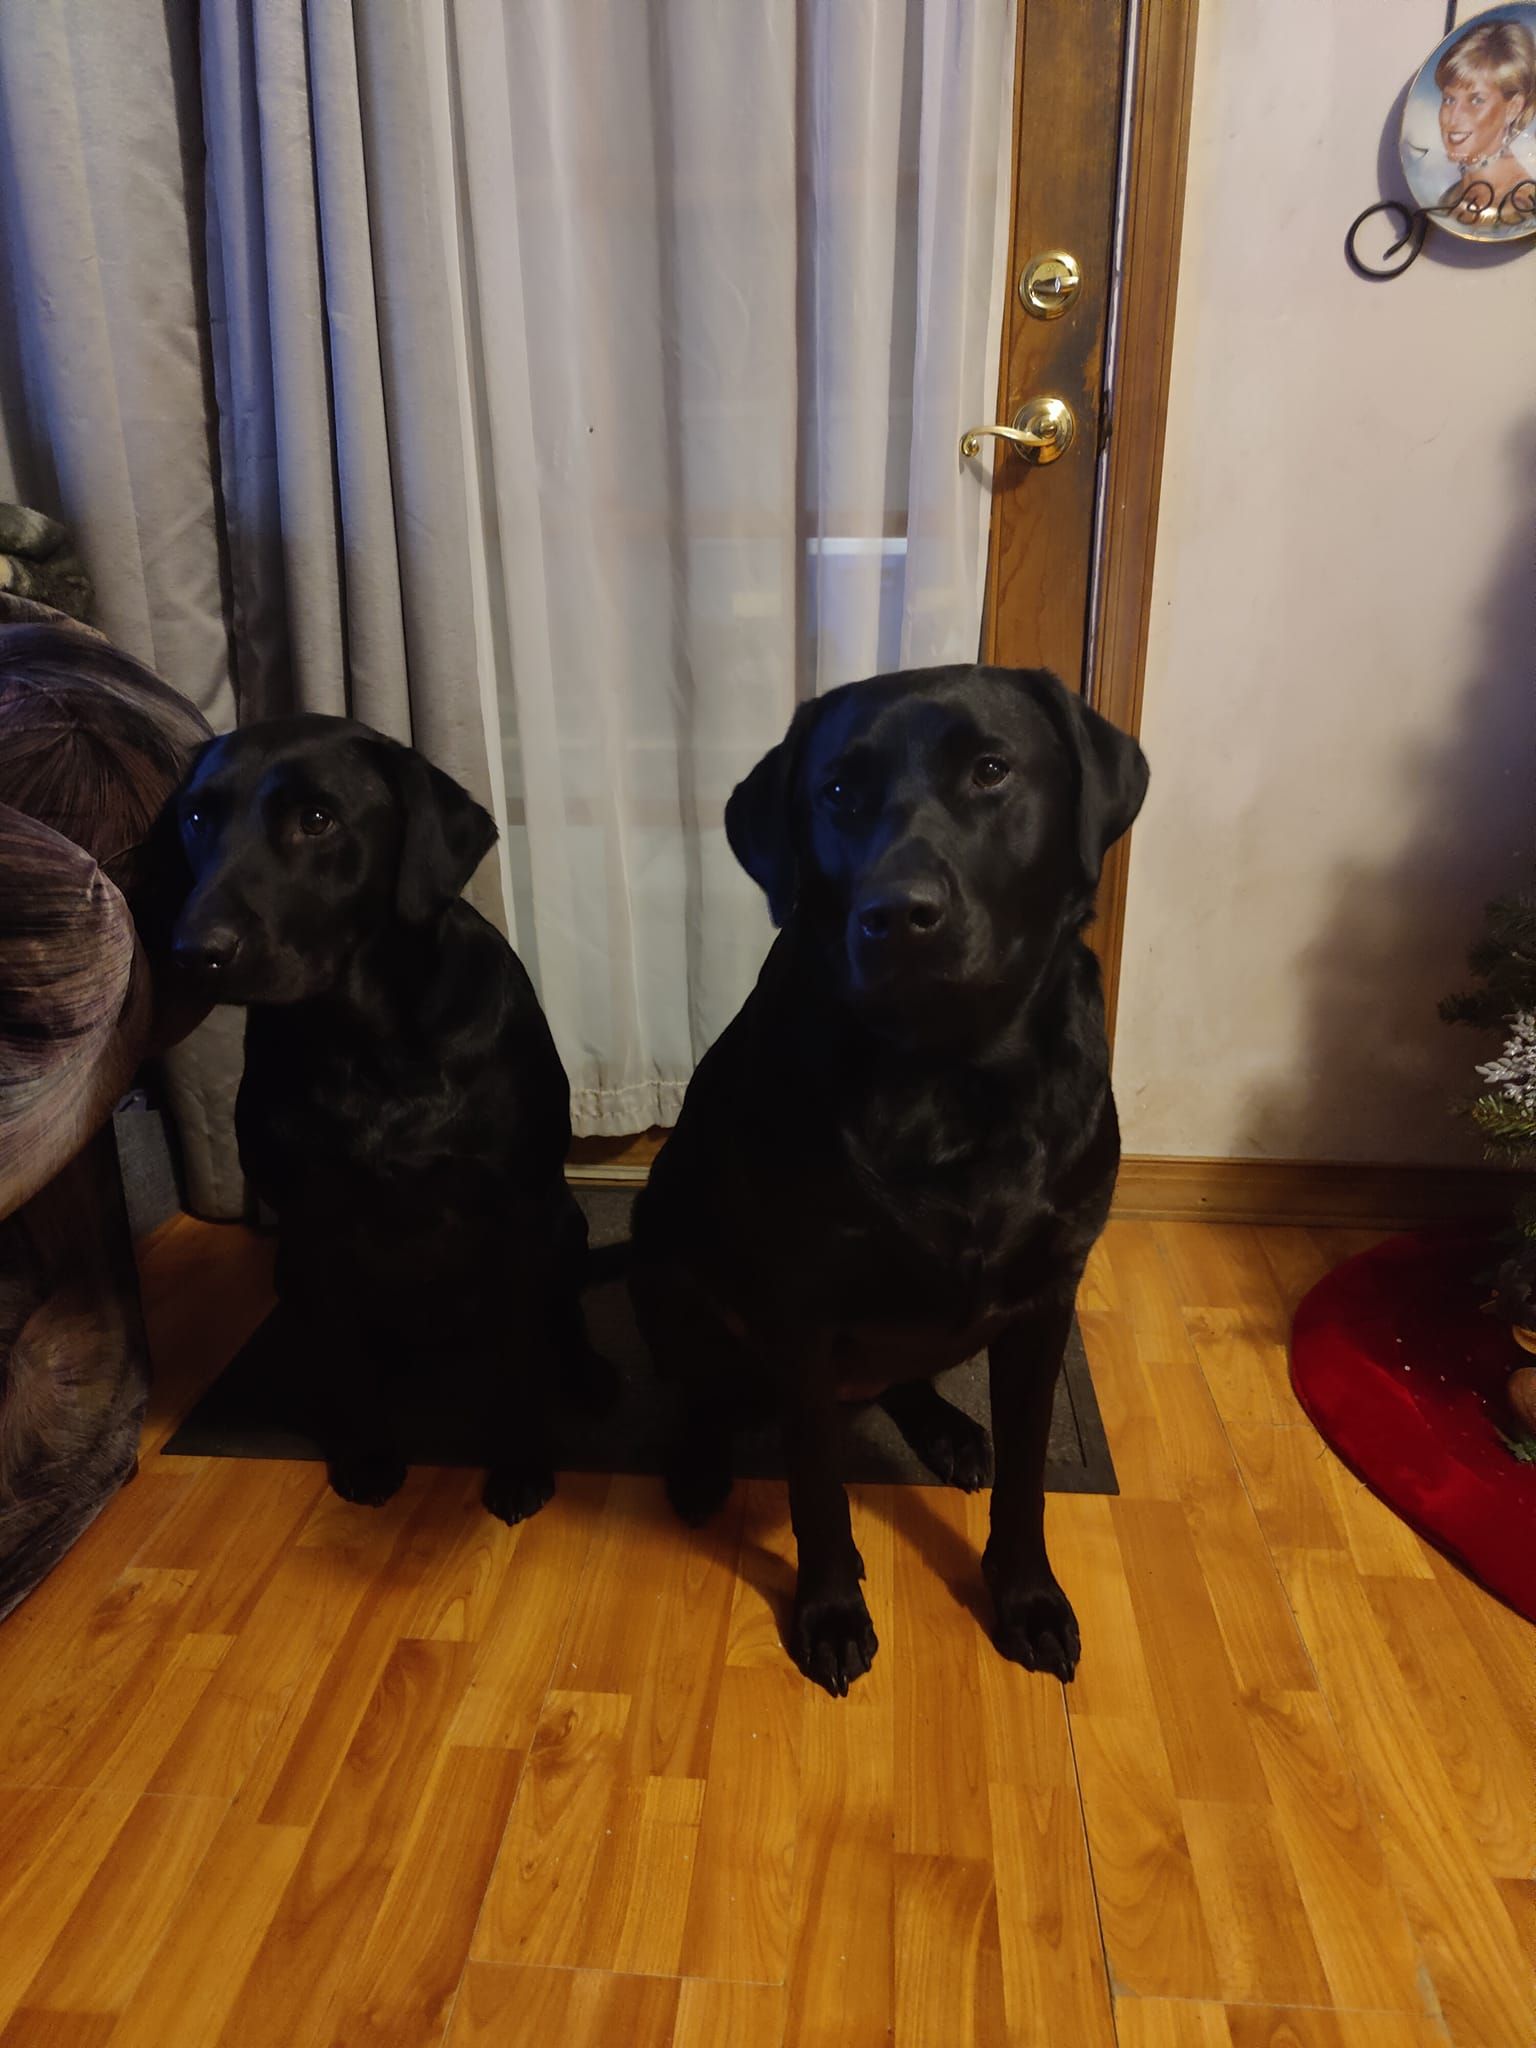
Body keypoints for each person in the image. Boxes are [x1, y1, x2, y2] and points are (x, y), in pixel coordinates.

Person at [1434, 17, 1536, 230]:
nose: (1453, 118)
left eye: (1476, 100)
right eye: (1449, 99)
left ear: (1513, 108)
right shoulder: (1450, 198)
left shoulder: (1524, 201)